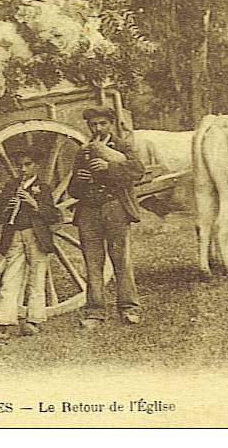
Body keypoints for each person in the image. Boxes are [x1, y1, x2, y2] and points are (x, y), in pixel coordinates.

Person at [68, 106, 145, 330]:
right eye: (93, 125)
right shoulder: (84, 151)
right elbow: (73, 190)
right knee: (93, 263)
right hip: (88, 212)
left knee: (121, 259)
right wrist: (80, 180)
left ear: (111, 124)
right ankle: (95, 312)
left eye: (102, 124)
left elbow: (138, 171)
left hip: (115, 209)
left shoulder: (123, 146)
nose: (98, 128)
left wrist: (109, 167)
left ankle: (129, 308)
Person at [0, 148, 61, 344]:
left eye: (28, 165)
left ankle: (34, 321)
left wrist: (34, 204)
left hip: (36, 236)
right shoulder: (12, 186)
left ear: (37, 166)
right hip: (15, 235)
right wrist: (7, 207)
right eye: (20, 165)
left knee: (37, 278)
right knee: (10, 279)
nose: (23, 169)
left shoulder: (44, 188)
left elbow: (52, 215)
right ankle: (4, 324)